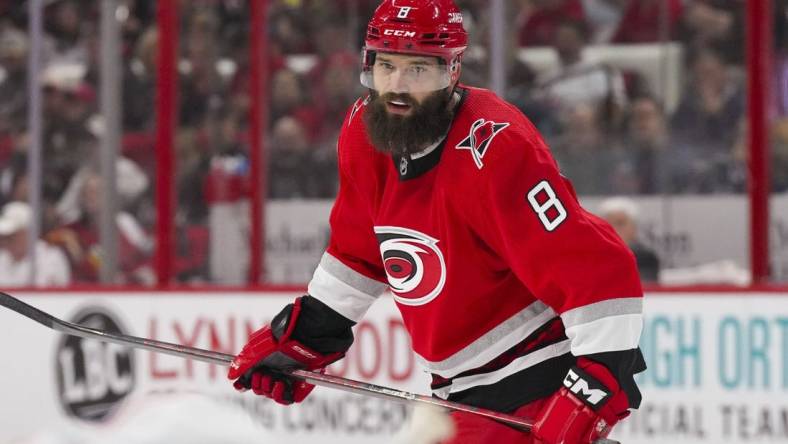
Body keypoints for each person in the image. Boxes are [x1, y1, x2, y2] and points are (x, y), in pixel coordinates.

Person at [228, 2, 646, 443]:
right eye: (385, 65)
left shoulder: (495, 147)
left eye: (417, 70)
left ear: (451, 71)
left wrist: (592, 387)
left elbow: (601, 273)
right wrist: (312, 330)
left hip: (538, 382)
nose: (397, 85)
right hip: (459, 394)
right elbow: (358, 250)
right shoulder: (363, 131)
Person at [0, 201, 71, 287]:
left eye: (12, 235)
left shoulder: (51, 258)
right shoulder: (2, 257)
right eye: (4, 236)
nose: (5, 241)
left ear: (28, 233)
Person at [597, 197, 660, 283]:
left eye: (620, 223)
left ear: (634, 227)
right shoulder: (593, 257)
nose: (613, 228)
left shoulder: (646, 258)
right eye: (607, 224)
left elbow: (646, 288)